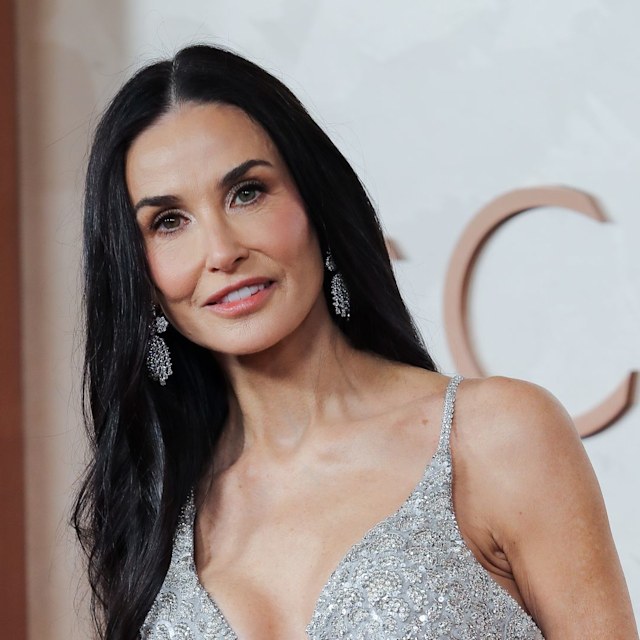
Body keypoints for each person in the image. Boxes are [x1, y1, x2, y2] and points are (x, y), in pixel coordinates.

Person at [73, 44, 638, 640]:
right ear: (139, 275)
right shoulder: (152, 516)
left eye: (247, 192)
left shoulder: (496, 436)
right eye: (168, 222)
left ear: (316, 204)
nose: (221, 251)